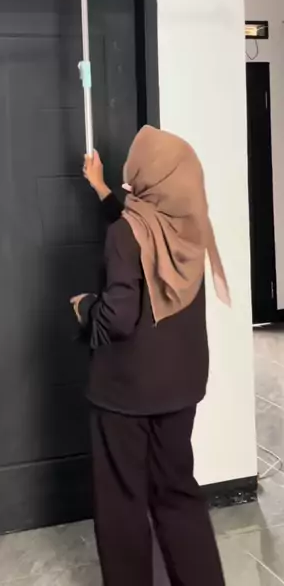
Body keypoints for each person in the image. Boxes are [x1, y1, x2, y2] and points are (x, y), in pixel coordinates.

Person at [71, 126, 229, 586]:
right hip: (180, 388)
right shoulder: (190, 226)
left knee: (122, 504)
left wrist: (85, 308)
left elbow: (117, 319)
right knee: (177, 496)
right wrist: (102, 190)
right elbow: (142, 238)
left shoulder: (127, 233)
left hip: (126, 394)